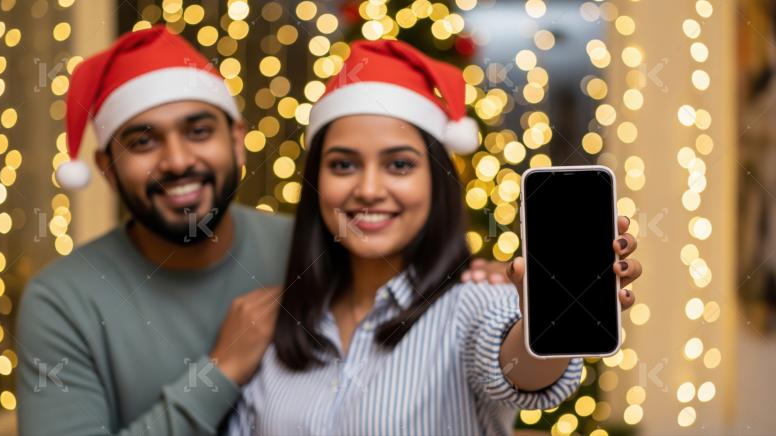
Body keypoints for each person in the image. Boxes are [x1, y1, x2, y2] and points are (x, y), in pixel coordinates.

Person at [16, 26, 508, 435]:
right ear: (105, 168)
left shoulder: (321, 248)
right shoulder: (62, 301)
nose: (177, 160)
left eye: (198, 131)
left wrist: (489, 285)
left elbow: (492, 347)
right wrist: (221, 371)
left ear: (238, 141)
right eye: (142, 142)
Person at [227, 40, 642, 435]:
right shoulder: (271, 322)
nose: (368, 190)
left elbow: (522, 371)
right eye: (343, 165)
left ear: (436, 181)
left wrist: (550, 317)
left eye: (399, 165)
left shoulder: (477, 302)